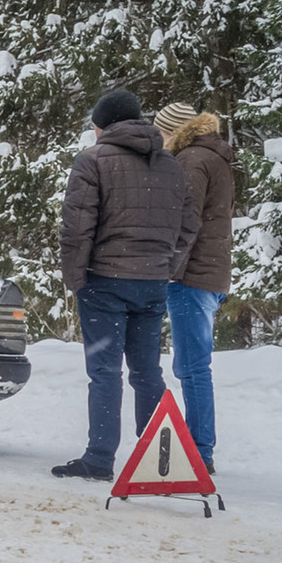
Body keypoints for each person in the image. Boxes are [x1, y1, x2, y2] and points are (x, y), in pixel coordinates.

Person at [52, 90, 198, 480]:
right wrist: (169, 265)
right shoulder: (170, 164)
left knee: (105, 371)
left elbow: (77, 228)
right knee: (147, 371)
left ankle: (100, 459)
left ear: (103, 127)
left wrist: (75, 279)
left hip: (104, 281)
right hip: (151, 283)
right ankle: (159, 462)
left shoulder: (92, 160)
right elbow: (188, 225)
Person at [154, 101, 234, 475]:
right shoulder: (214, 156)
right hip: (210, 274)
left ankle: (200, 450)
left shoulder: (191, 160)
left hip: (191, 277)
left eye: (162, 132)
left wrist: (171, 269)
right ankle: (200, 445)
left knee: (191, 366)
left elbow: (187, 221)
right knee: (193, 364)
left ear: (175, 131)